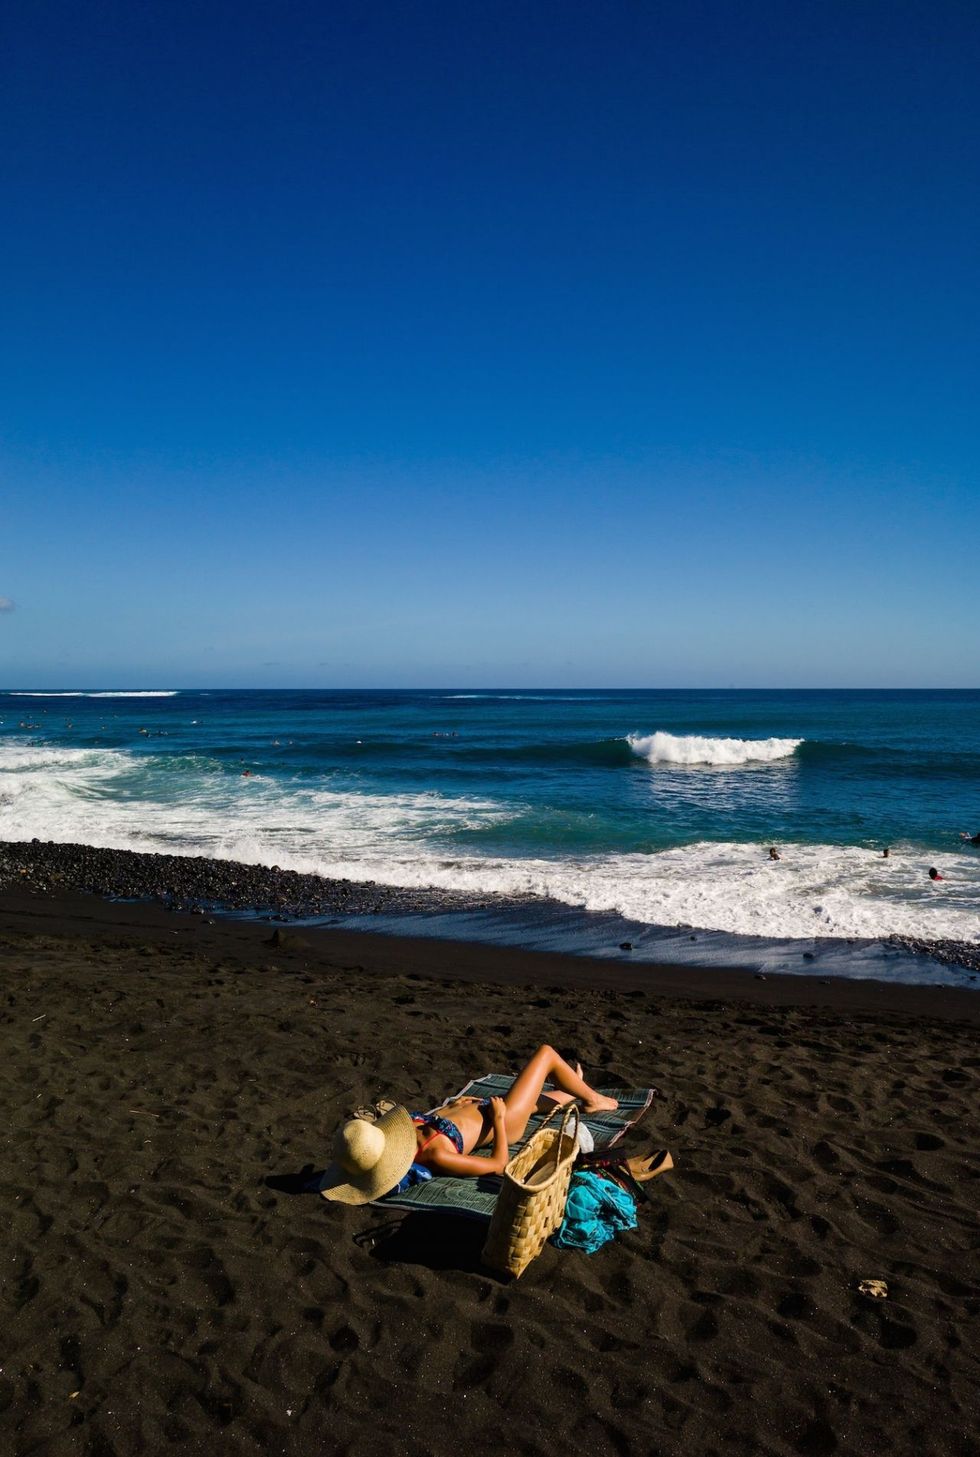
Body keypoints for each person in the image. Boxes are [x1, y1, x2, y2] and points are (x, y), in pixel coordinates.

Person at [320, 1045, 619, 1204]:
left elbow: (436, 1120)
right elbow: (499, 1165)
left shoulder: (407, 1130)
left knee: (538, 1095)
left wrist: (452, 1107)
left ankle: (573, 1088)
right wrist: (501, 1123)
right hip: (505, 1121)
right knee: (546, 1055)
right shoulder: (436, 1156)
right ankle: (593, 1100)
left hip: (487, 1110)